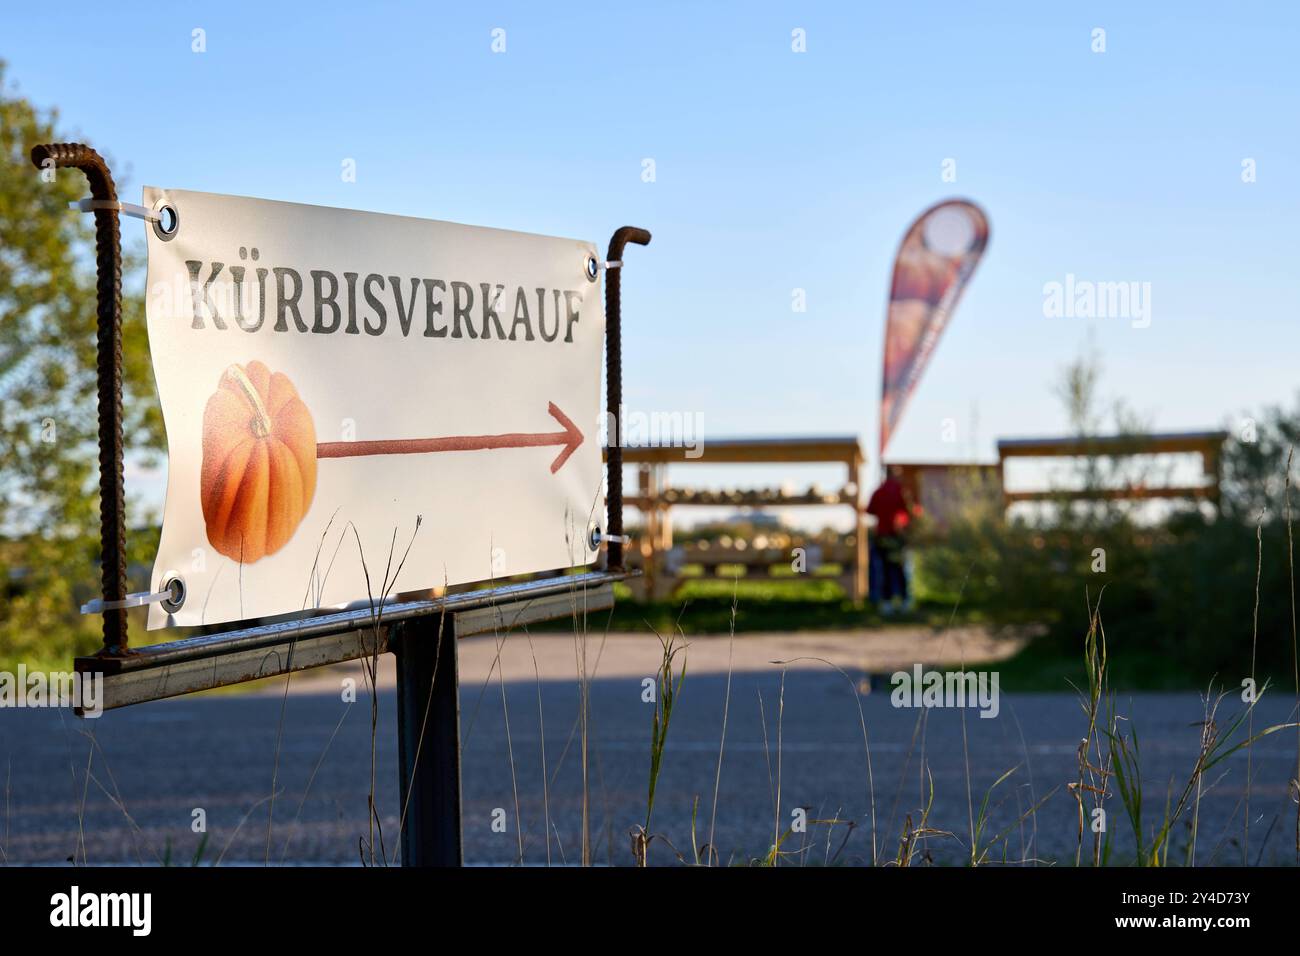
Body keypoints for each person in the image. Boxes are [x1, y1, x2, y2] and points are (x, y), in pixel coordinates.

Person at [866, 465, 913, 614]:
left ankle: (887, 603)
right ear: (895, 475)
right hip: (897, 537)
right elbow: (910, 510)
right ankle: (905, 601)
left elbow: (870, 510)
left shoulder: (878, 492)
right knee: (900, 569)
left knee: (885, 570)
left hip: (882, 537)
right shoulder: (901, 491)